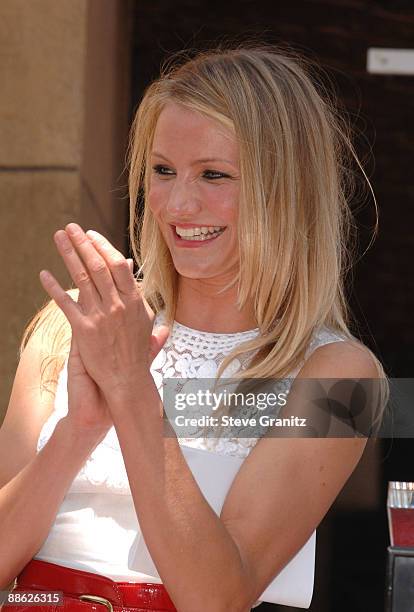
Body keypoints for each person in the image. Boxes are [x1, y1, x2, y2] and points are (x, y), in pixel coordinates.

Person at [0, 43, 388, 611]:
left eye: (214, 174)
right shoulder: (73, 323)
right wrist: (79, 428)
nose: (179, 203)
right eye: (162, 170)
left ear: (285, 189)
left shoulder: (343, 376)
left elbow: (219, 599)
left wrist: (133, 390)